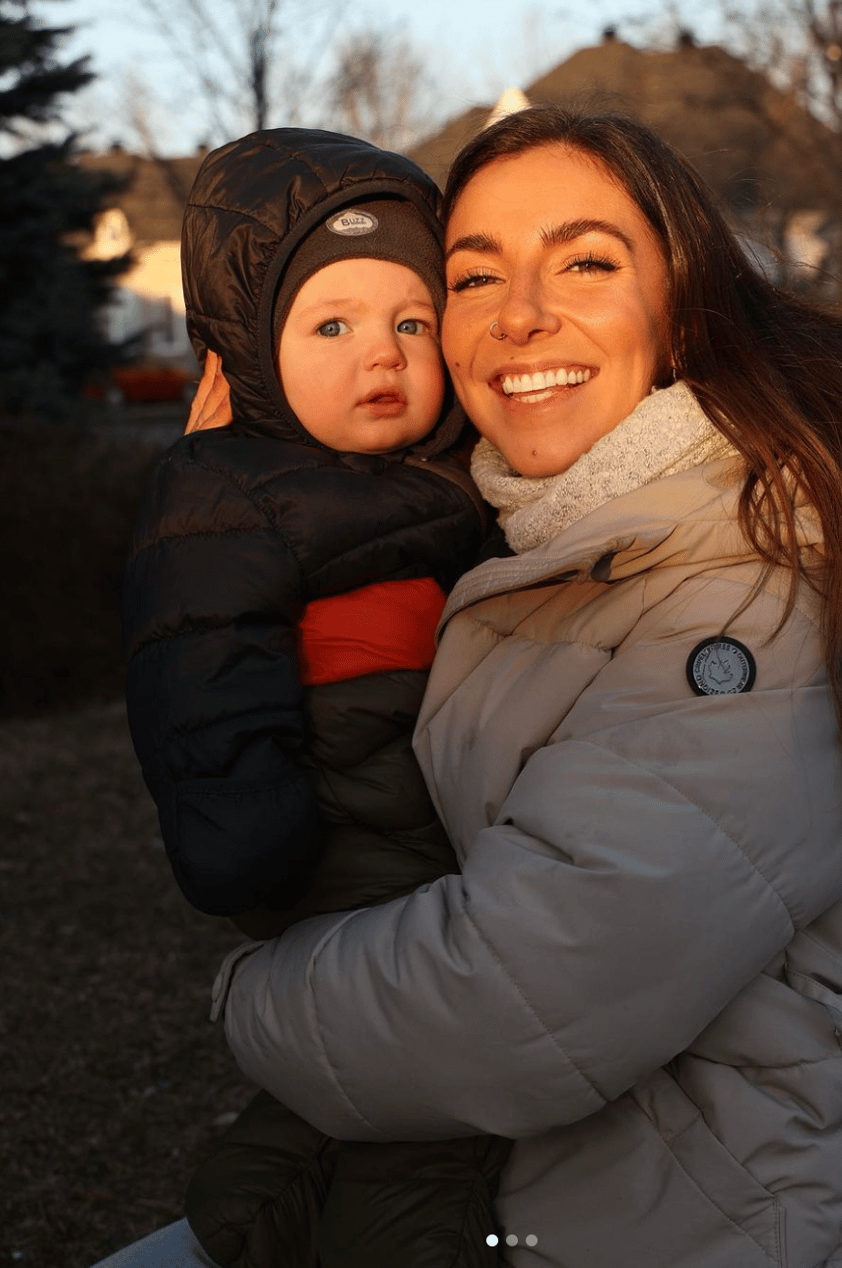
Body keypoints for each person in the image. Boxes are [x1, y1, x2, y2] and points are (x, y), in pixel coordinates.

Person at [96, 107, 842, 1268]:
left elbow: (520, 1000)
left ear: (685, 299)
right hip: (510, 1204)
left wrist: (248, 997)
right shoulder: (533, 532)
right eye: (473, 278)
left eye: (584, 260)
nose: (519, 315)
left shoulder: (768, 576)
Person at [120, 128, 508, 1268]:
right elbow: (200, 669)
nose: (377, 355)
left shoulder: (446, 473)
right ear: (250, 348)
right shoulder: (220, 489)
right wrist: (254, 842)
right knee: (437, 1125)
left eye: (411, 322)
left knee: (348, 1095)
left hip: (425, 826)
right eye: (328, 326)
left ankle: (253, 1206)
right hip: (337, 843)